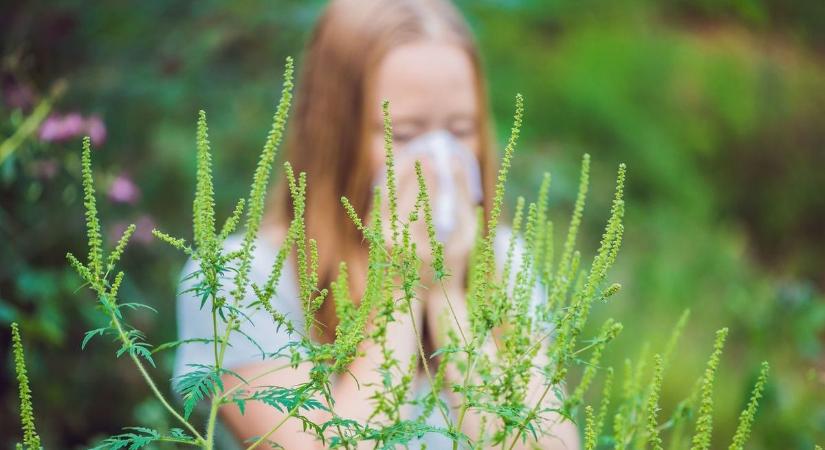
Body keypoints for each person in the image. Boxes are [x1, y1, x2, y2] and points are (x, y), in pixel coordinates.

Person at [174, 0, 581, 448]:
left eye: (460, 129)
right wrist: (402, 284)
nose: (436, 160)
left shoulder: (507, 262)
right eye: (403, 134)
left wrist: (448, 292)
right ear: (334, 135)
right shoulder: (236, 281)